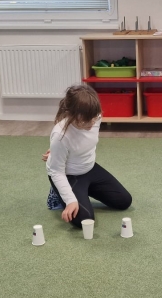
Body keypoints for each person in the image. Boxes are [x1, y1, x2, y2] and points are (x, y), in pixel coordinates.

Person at [43, 85, 132, 228]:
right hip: (68, 174)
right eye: (85, 120)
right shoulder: (60, 135)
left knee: (124, 201)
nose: (92, 123)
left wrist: (56, 151)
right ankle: (57, 192)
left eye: (94, 118)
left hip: (89, 168)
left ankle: (82, 191)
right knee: (84, 220)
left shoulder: (95, 116)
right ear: (71, 114)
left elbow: (82, 142)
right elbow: (56, 171)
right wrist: (70, 200)